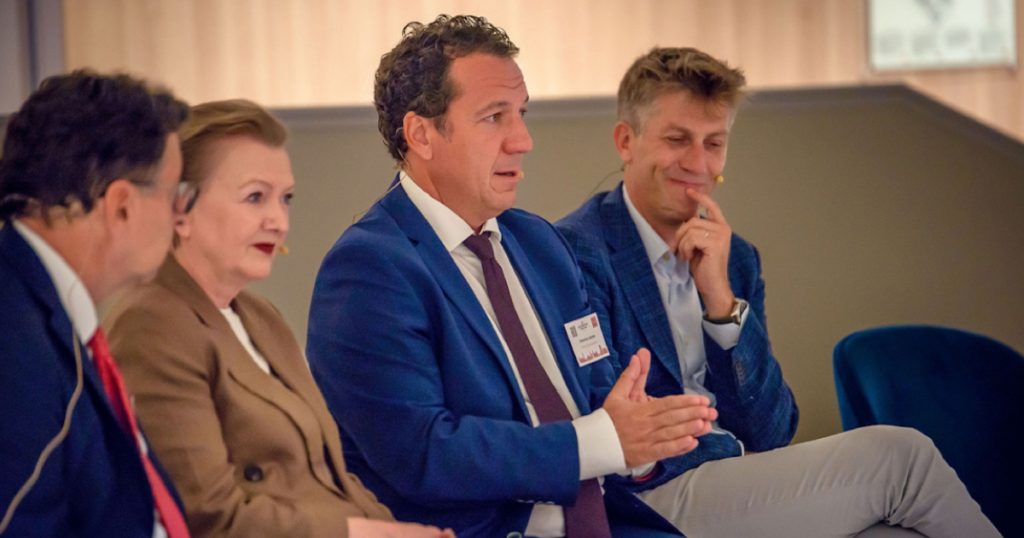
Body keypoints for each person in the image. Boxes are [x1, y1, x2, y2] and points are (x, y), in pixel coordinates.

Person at [556, 47, 999, 537]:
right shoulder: (574, 251)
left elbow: (772, 430)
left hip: (733, 485)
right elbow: (609, 427)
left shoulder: (736, 259)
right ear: (626, 140)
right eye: (677, 139)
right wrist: (731, 448)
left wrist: (721, 303)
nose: (698, 163)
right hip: (645, 498)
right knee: (901, 456)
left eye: (714, 143)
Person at [307, 15, 717, 538]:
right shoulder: (369, 269)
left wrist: (643, 443)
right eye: (494, 117)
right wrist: (601, 441)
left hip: (609, 521)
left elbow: (599, 396)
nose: (523, 140)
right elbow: (424, 454)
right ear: (421, 134)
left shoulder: (540, 243)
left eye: (521, 114)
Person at [104, 99, 453, 538]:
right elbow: (209, 517)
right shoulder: (151, 327)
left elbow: (330, 477)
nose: (278, 221)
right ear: (180, 209)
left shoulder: (259, 315)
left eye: (285, 199)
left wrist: (401, 531)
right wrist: (365, 534)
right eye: (255, 197)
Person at [0, 70, 191, 537]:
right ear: (121, 204)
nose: (179, 218)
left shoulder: (41, 309)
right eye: (174, 196)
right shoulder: (16, 348)